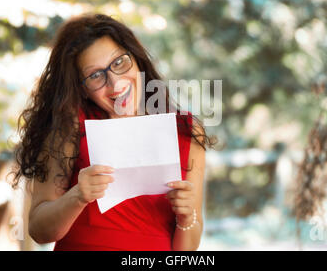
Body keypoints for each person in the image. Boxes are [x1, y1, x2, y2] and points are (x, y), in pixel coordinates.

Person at [11, 13, 215, 250]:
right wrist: (77, 197)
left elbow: (185, 251)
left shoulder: (187, 132)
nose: (115, 83)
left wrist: (187, 217)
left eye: (119, 62)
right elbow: (40, 230)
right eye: (96, 75)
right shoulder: (70, 127)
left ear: (137, 59)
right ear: (83, 88)